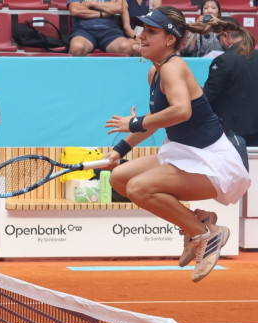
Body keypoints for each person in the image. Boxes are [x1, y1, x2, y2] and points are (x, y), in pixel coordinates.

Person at [103, 6, 250, 282]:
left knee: (138, 187)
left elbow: (182, 111)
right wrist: (118, 150)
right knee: (120, 178)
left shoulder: (174, 67)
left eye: (151, 32)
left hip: (211, 160)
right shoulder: (155, 72)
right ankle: (199, 220)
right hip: (181, 151)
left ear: (170, 39)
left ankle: (207, 234)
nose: (142, 37)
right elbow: (157, 121)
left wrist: (134, 123)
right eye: (142, 31)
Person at [203, 17, 258, 146]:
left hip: (233, 132)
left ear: (226, 35)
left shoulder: (223, 60)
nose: (219, 42)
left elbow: (209, 95)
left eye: (219, 38)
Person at [67, 0, 133, 56]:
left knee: (126, 47)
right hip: (84, 31)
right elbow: (75, 10)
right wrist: (102, 14)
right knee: (77, 47)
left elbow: (118, 8)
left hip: (110, 31)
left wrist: (92, 3)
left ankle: (114, 71)